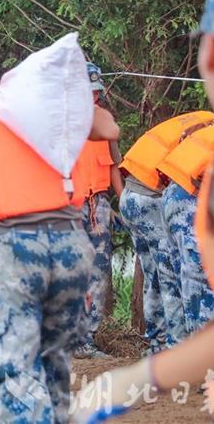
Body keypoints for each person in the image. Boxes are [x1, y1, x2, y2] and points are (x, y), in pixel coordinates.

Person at [0, 27, 119, 423]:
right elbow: (108, 129)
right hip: (71, 241)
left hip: (14, 248)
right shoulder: (25, 102)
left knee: (17, 374)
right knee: (54, 363)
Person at [72, 0, 214, 423]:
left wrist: (141, 378)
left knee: (170, 276)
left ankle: (167, 343)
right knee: (168, 275)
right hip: (146, 197)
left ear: (209, 53)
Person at [119, 109, 214, 352]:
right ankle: (174, 348)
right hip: (158, 196)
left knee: (155, 276)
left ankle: (159, 344)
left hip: (133, 195)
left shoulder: (209, 122)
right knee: (175, 277)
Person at [74, 63, 124, 359]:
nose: (91, 95)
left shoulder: (106, 122)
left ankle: (88, 338)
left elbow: (114, 165)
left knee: (100, 270)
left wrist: (124, 202)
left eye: (95, 90)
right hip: (72, 205)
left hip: (100, 203)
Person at [157, 123, 214, 335]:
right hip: (190, 198)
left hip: (177, 192)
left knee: (180, 275)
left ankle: (182, 347)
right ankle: (206, 350)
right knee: (201, 277)